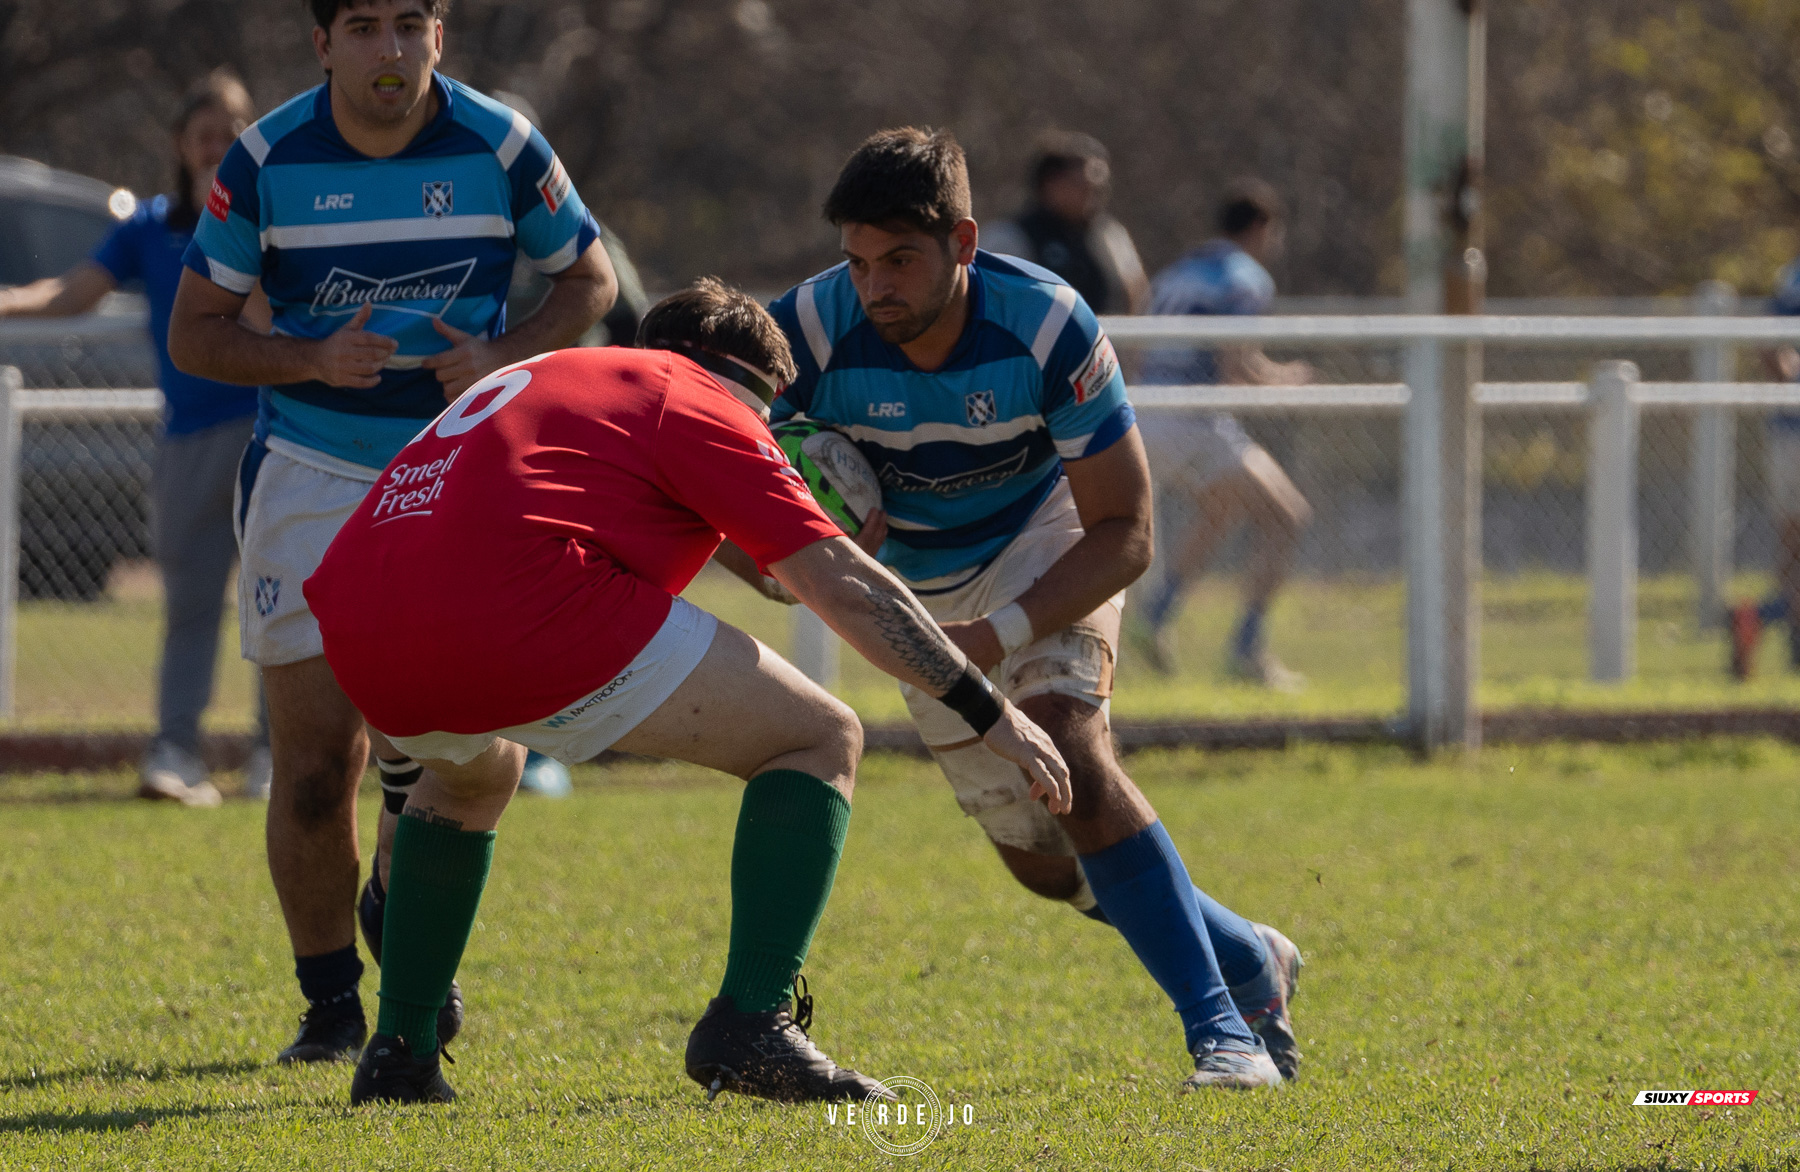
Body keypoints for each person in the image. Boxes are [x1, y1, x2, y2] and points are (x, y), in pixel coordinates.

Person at [303, 280, 1072, 1105]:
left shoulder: (559, 374)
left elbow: (455, 533)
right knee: (820, 737)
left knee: (471, 777)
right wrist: (990, 712)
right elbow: (846, 584)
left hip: (355, 616)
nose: (769, 434)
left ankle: (400, 1054)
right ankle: (754, 1024)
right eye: (769, 412)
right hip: (512, 604)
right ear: (749, 383)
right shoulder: (694, 394)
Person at [764, 129, 1300, 1089]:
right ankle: (1247, 954)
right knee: (1045, 863)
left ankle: (1227, 1035)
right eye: (857, 261)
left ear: (963, 242)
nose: (874, 286)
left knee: (1068, 747)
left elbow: (1128, 530)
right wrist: (784, 557)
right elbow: (726, 502)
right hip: (911, 591)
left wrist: (997, 636)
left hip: (1042, 540)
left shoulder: (1048, 323)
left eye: (900, 260)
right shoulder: (804, 330)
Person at [168, 0, 617, 1065]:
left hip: (458, 472)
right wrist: (310, 360)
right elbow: (197, 333)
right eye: (363, 26)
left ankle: (400, 900)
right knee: (319, 763)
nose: (391, 49)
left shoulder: (500, 144)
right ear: (322, 44)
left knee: (456, 747)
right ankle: (329, 1006)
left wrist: (509, 350)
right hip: (312, 475)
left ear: (440, 35)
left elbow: (588, 279)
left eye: (410, 23)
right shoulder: (267, 157)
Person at [0, 72, 272, 807]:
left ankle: (276, 757)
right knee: (188, 607)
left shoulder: (269, 217)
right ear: (181, 146)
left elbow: (277, 317)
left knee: (277, 604)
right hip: (187, 443)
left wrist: (242, 221)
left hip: (271, 436)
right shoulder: (149, 228)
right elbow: (69, 294)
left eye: (229, 135)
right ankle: (176, 753)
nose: (215, 149)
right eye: (202, 137)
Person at [1132, 179, 1314, 688]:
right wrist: (1293, 380)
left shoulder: (1177, 271)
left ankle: (1156, 618)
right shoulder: (1245, 277)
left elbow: (1141, 352)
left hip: (1144, 415)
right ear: (1261, 228)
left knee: (1222, 507)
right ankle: (1246, 649)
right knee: (1288, 518)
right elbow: (1238, 367)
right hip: (1193, 419)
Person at [981, 130, 1149, 315]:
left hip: (1107, 338)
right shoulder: (1009, 237)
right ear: (1050, 184)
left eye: (1097, 187)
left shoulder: (1108, 235)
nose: (1091, 194)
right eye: (1080, 184)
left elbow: (1136, 294)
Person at [1728, 263, 1800, 678]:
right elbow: (1770, 345)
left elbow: (1768, 343)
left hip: (1787, 431)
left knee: (1791, 553)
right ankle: (1758, 619)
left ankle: (1755, 618)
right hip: (1791, 429)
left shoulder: (1791, 274)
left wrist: (1788, 386)